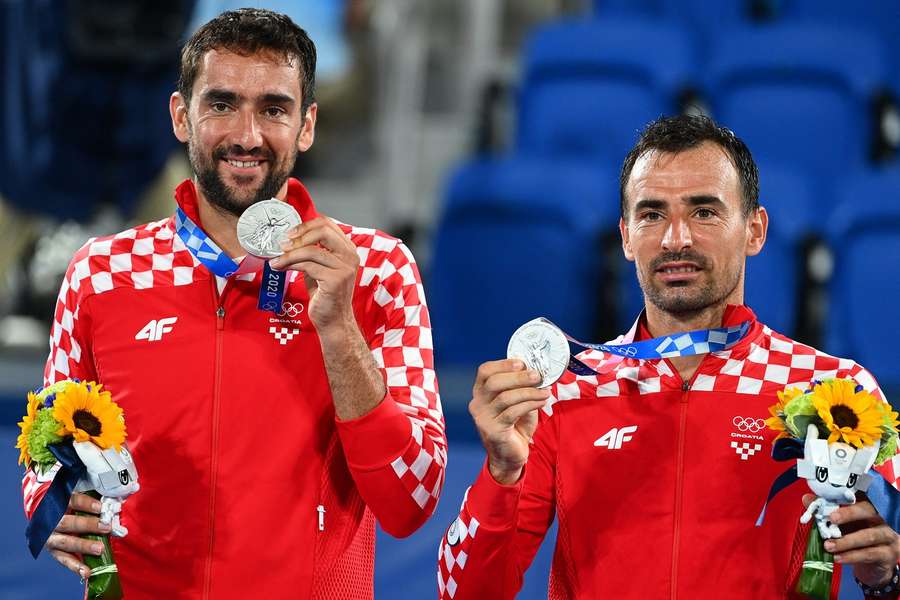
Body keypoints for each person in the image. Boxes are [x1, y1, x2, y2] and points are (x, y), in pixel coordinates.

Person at [23, 8, 446, 599]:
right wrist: (53, 500)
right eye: (221, 104)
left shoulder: (377, 269)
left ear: (306, 126)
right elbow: (50, 433)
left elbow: (413, 501)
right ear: (180, 117)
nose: (247, 135)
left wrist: (340, 329)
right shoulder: (102, 272)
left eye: (273, 108)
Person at [436, 115, 900, 599]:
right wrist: (500, 476)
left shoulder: (832, 390)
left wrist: (886, 579)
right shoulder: (568, 391)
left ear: (755, 231)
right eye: (652, 214)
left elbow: (887, 560)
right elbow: (461, 591)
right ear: (626, 237)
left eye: (704, 212)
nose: (676, 238)